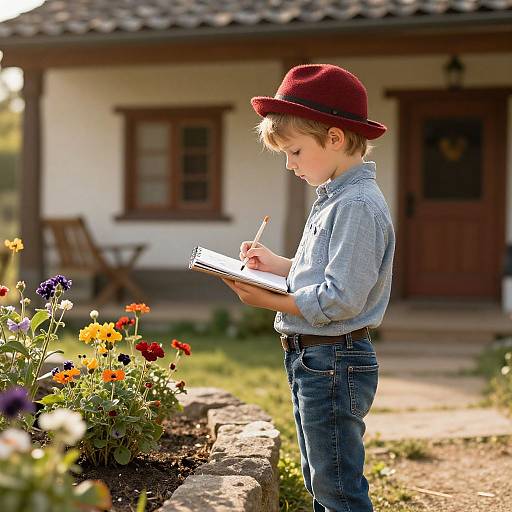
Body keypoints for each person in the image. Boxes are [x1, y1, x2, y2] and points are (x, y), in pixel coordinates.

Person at [222, 63, 395, 512]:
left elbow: (341, 298)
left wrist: (267, 299)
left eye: (295, 151)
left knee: (337, 486)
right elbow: (318, 273)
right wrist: (276, 266)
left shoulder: (356, 205)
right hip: (314, 356)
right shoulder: (335, 197)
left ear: (335, 138)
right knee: (321, 475)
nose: (289, 164)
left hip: (334, 359)